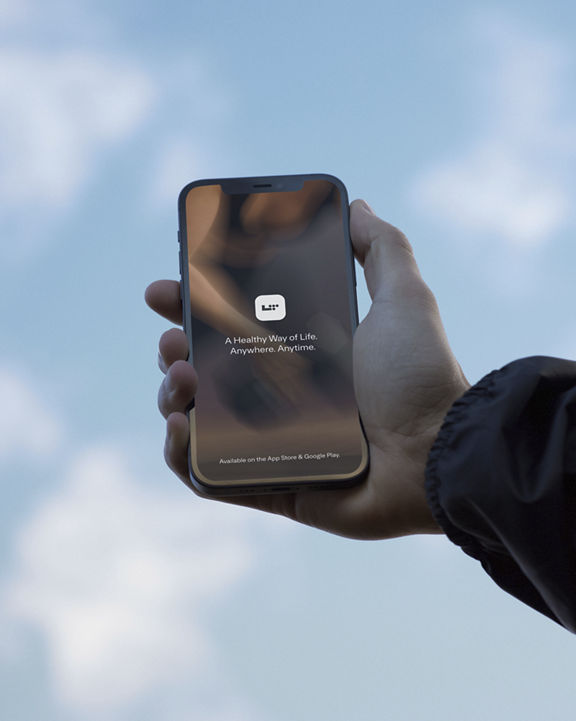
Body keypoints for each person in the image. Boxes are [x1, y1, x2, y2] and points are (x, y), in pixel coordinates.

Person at [145, 199, 576, 633]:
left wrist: (433, 445)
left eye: (300, 215)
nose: (282, 217)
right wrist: (433, 448)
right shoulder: (230, 240)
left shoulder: (295, 259)